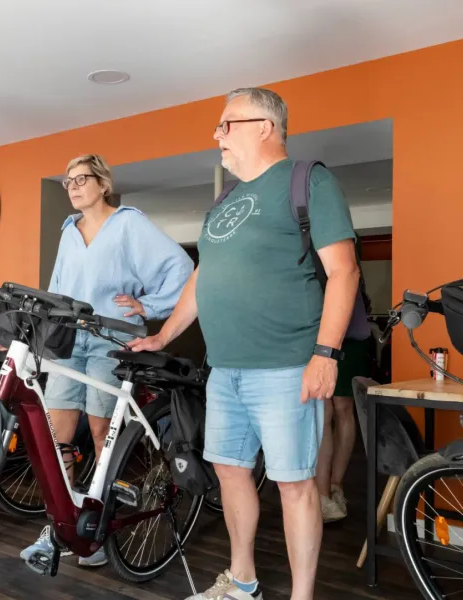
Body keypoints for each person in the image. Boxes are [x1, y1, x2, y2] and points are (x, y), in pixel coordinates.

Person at [130, 87, 360, 600]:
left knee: (294, 484)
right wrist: (163, 334)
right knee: (230, 473)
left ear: (264, 126)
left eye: (226, 124)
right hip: (225, 369)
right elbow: (203, 277)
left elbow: (343, 272)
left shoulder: (308, 181)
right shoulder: (223, 202)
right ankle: (242, 583)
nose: (217, 135)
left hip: (286, 367)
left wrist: (325, 355)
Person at [19, 153, 194, 568]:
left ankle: (98, 528)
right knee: (58, 437)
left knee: (102, 434)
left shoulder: (129, 223)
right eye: (69, 181)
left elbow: (182, 267)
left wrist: (149, 305)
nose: (74, 186)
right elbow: (57, 286)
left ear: (103, 184)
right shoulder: (68, 231)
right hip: (70, 338)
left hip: (110, 339)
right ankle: (62, 527)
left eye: (82, 178)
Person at [315, 282, 373, 522]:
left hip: (351, 337)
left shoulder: (348, 265)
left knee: (343, 407)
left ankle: (336, 486)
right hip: (316, 337)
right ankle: (322, 495)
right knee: (323, 410)